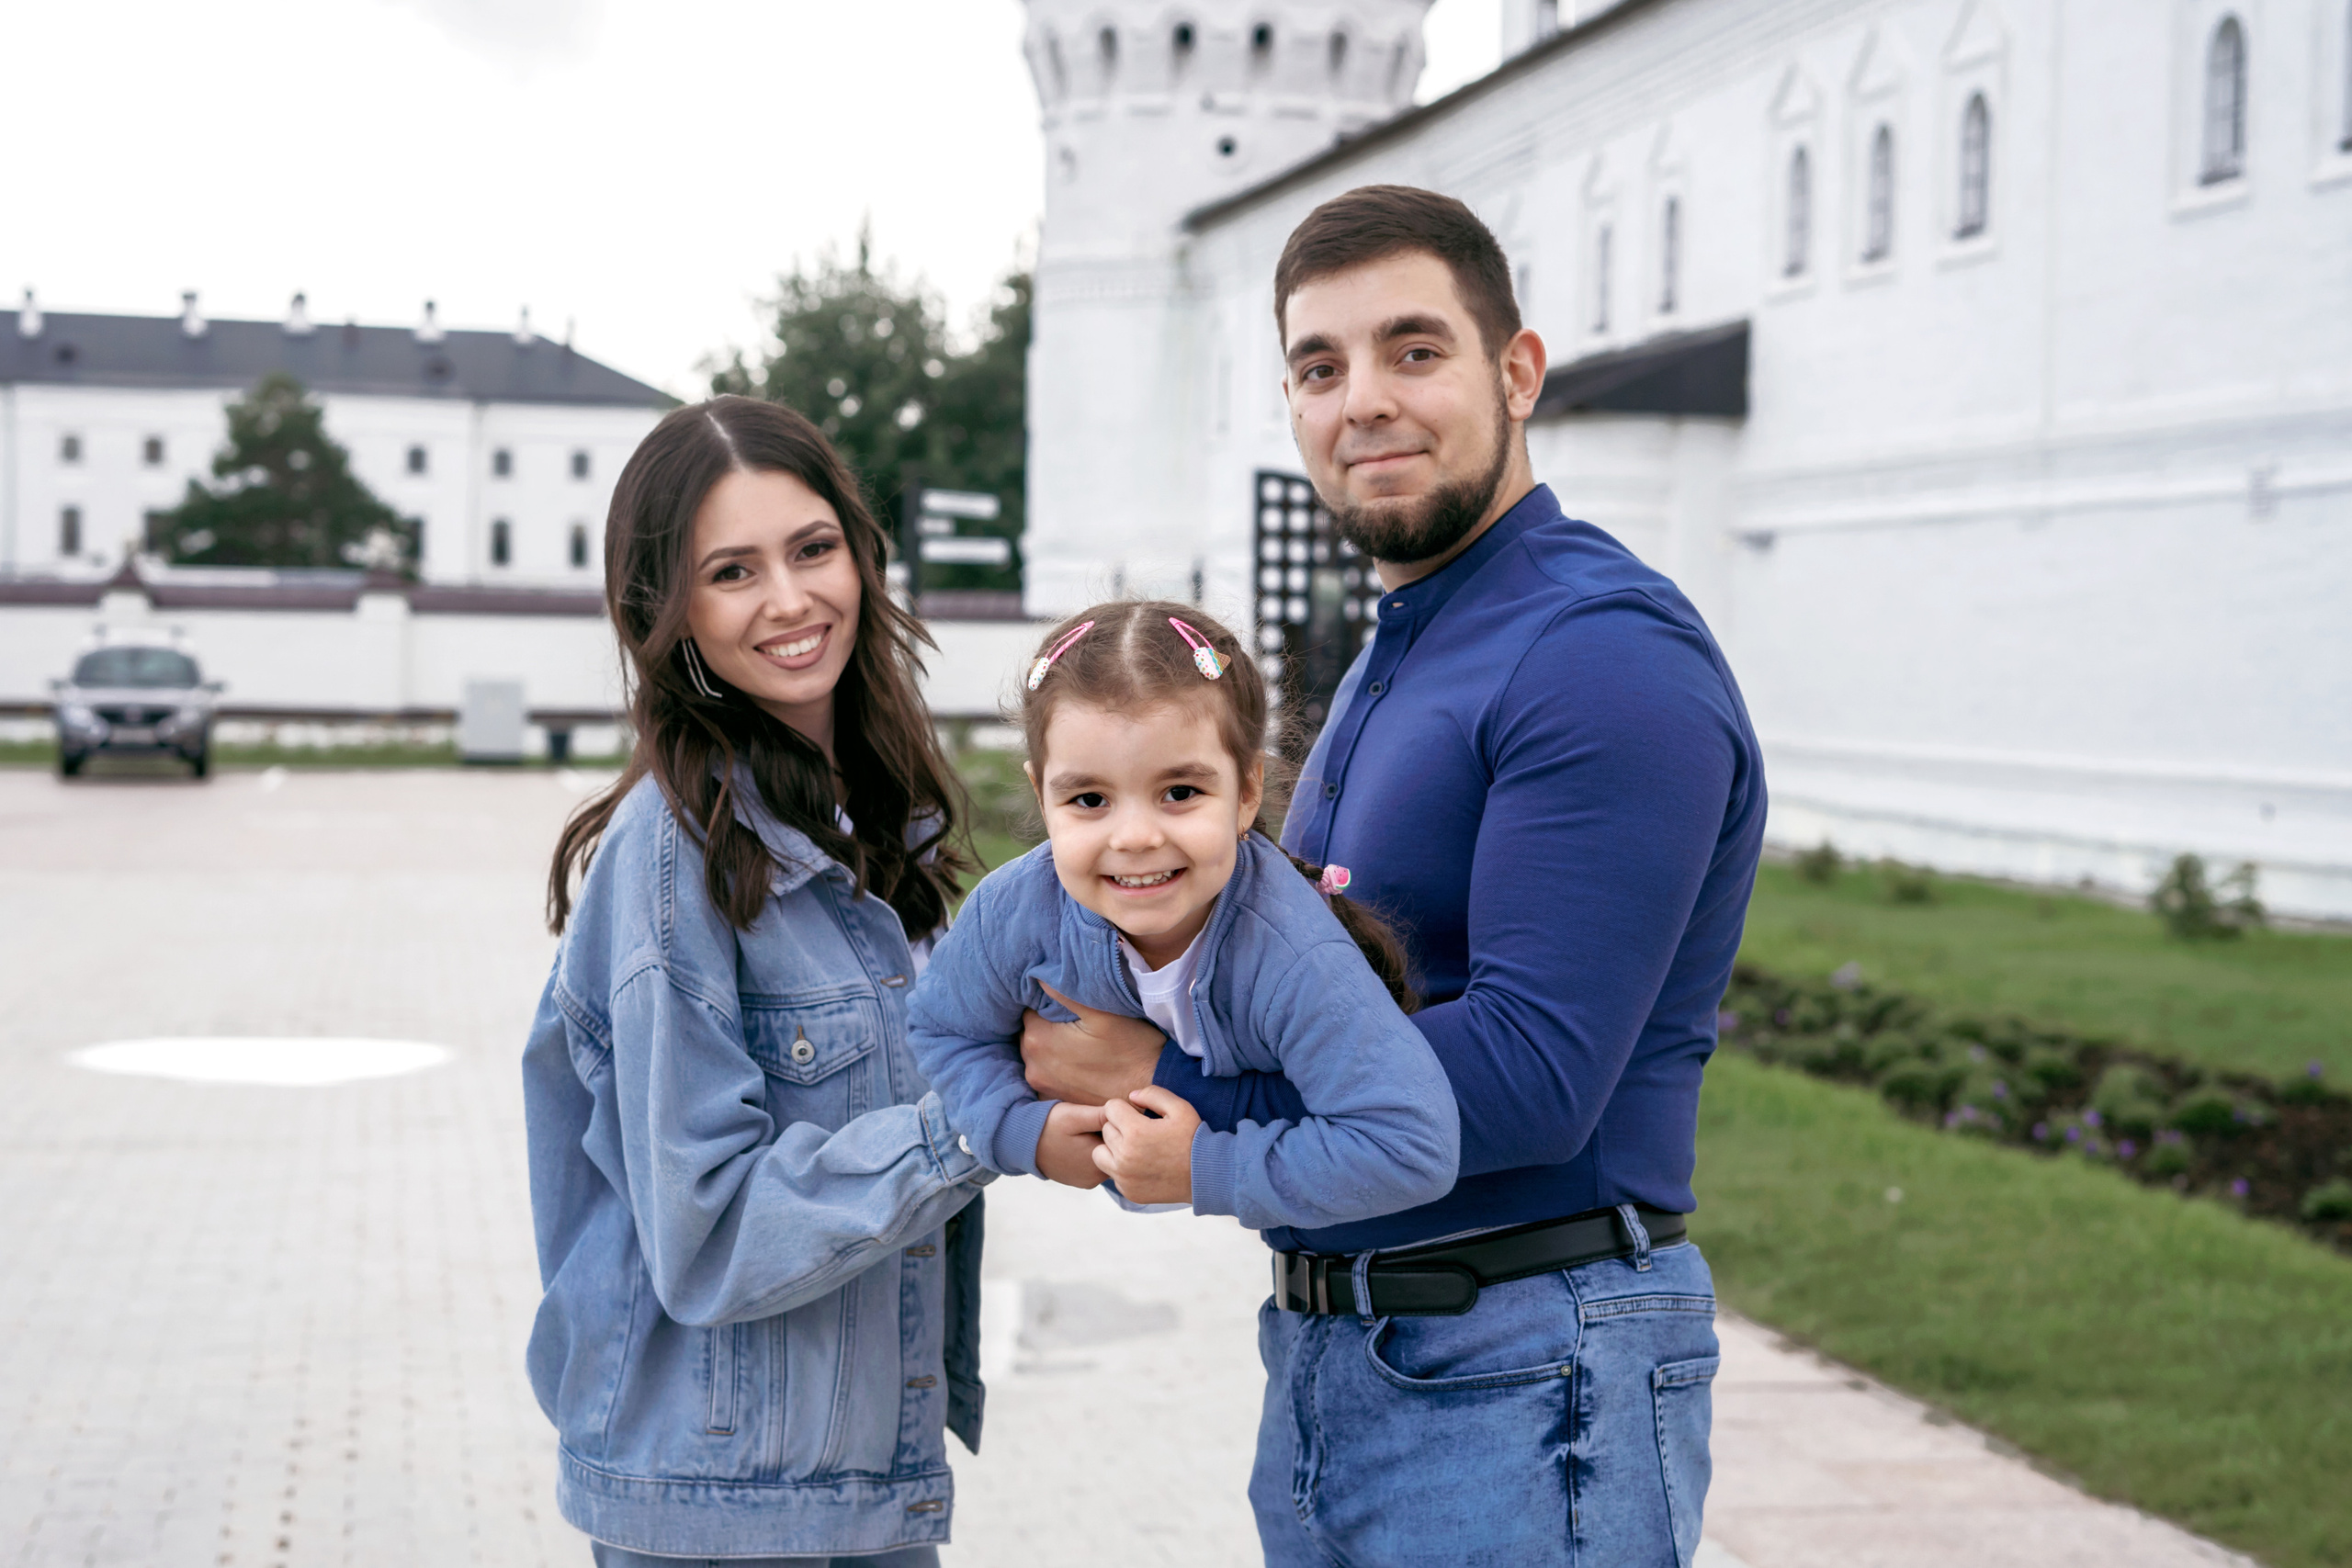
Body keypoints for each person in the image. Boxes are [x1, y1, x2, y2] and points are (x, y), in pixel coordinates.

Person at [1017, 186, 1769, 1565]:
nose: (1363, 400)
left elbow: (1538, 1070)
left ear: (1517, 370)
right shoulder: (1404, 642)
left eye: (1413, 351)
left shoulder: (1596, 652)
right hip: (1354, 1352)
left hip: (1525, 1364)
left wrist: (1189, 1100)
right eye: (1320, 364)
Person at [523, 396, 992, 1567]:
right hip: (717, 1507)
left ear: (860, 553)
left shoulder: (883, 822)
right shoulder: (672, 855)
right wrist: (990, 1120)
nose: (790, 600)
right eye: (732, 571)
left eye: (812, 548)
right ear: (668, 613)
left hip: (863, 1484)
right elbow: (710, 1228)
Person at [905, 600, 1458, 1231]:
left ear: (1246, 791)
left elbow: (1414, 1147)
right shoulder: (1015, 912)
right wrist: (1017, 1129)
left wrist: (1204, 1166)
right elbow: (944, 1027)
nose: (1135, 836)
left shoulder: (1294, 954)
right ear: (1041, 794)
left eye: (1180, 793)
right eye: (1089, 798)